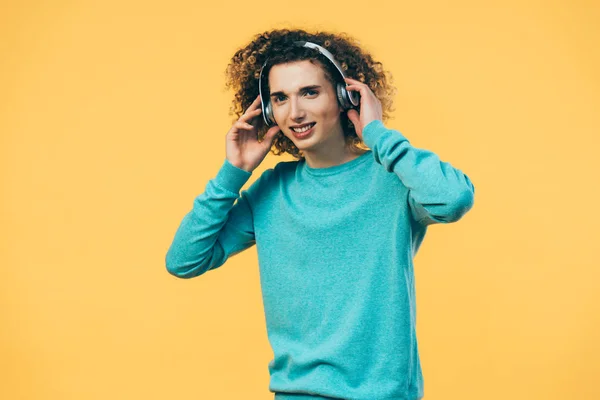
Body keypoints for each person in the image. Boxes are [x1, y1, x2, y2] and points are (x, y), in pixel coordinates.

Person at [165, 28, 475, 400]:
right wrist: (234, 171)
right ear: (268, 111)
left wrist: (377, 134)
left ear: (345, 95)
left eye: (309, 92)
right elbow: (184, 260)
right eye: (280, 98)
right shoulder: (271, 190)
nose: (295, 112)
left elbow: (453, 199)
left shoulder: (394, 178)